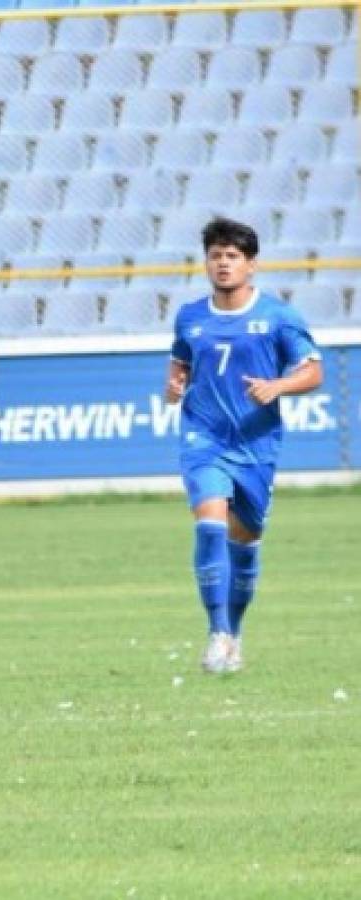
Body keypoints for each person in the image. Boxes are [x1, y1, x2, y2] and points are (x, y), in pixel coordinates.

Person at [166, 217, 322, 674]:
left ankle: (233, 632)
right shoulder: (191, 316)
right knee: (209, 526)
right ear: (206, 264)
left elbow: (313, 372)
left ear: (251, 265)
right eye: (215, 256)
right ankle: (216, 634)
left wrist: (278, 386)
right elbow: (179, 365)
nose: (223, 264)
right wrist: (174, 387)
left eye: (232, 256)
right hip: (203, 437)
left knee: (245, 542)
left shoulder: (278, 317)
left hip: (256, 443)